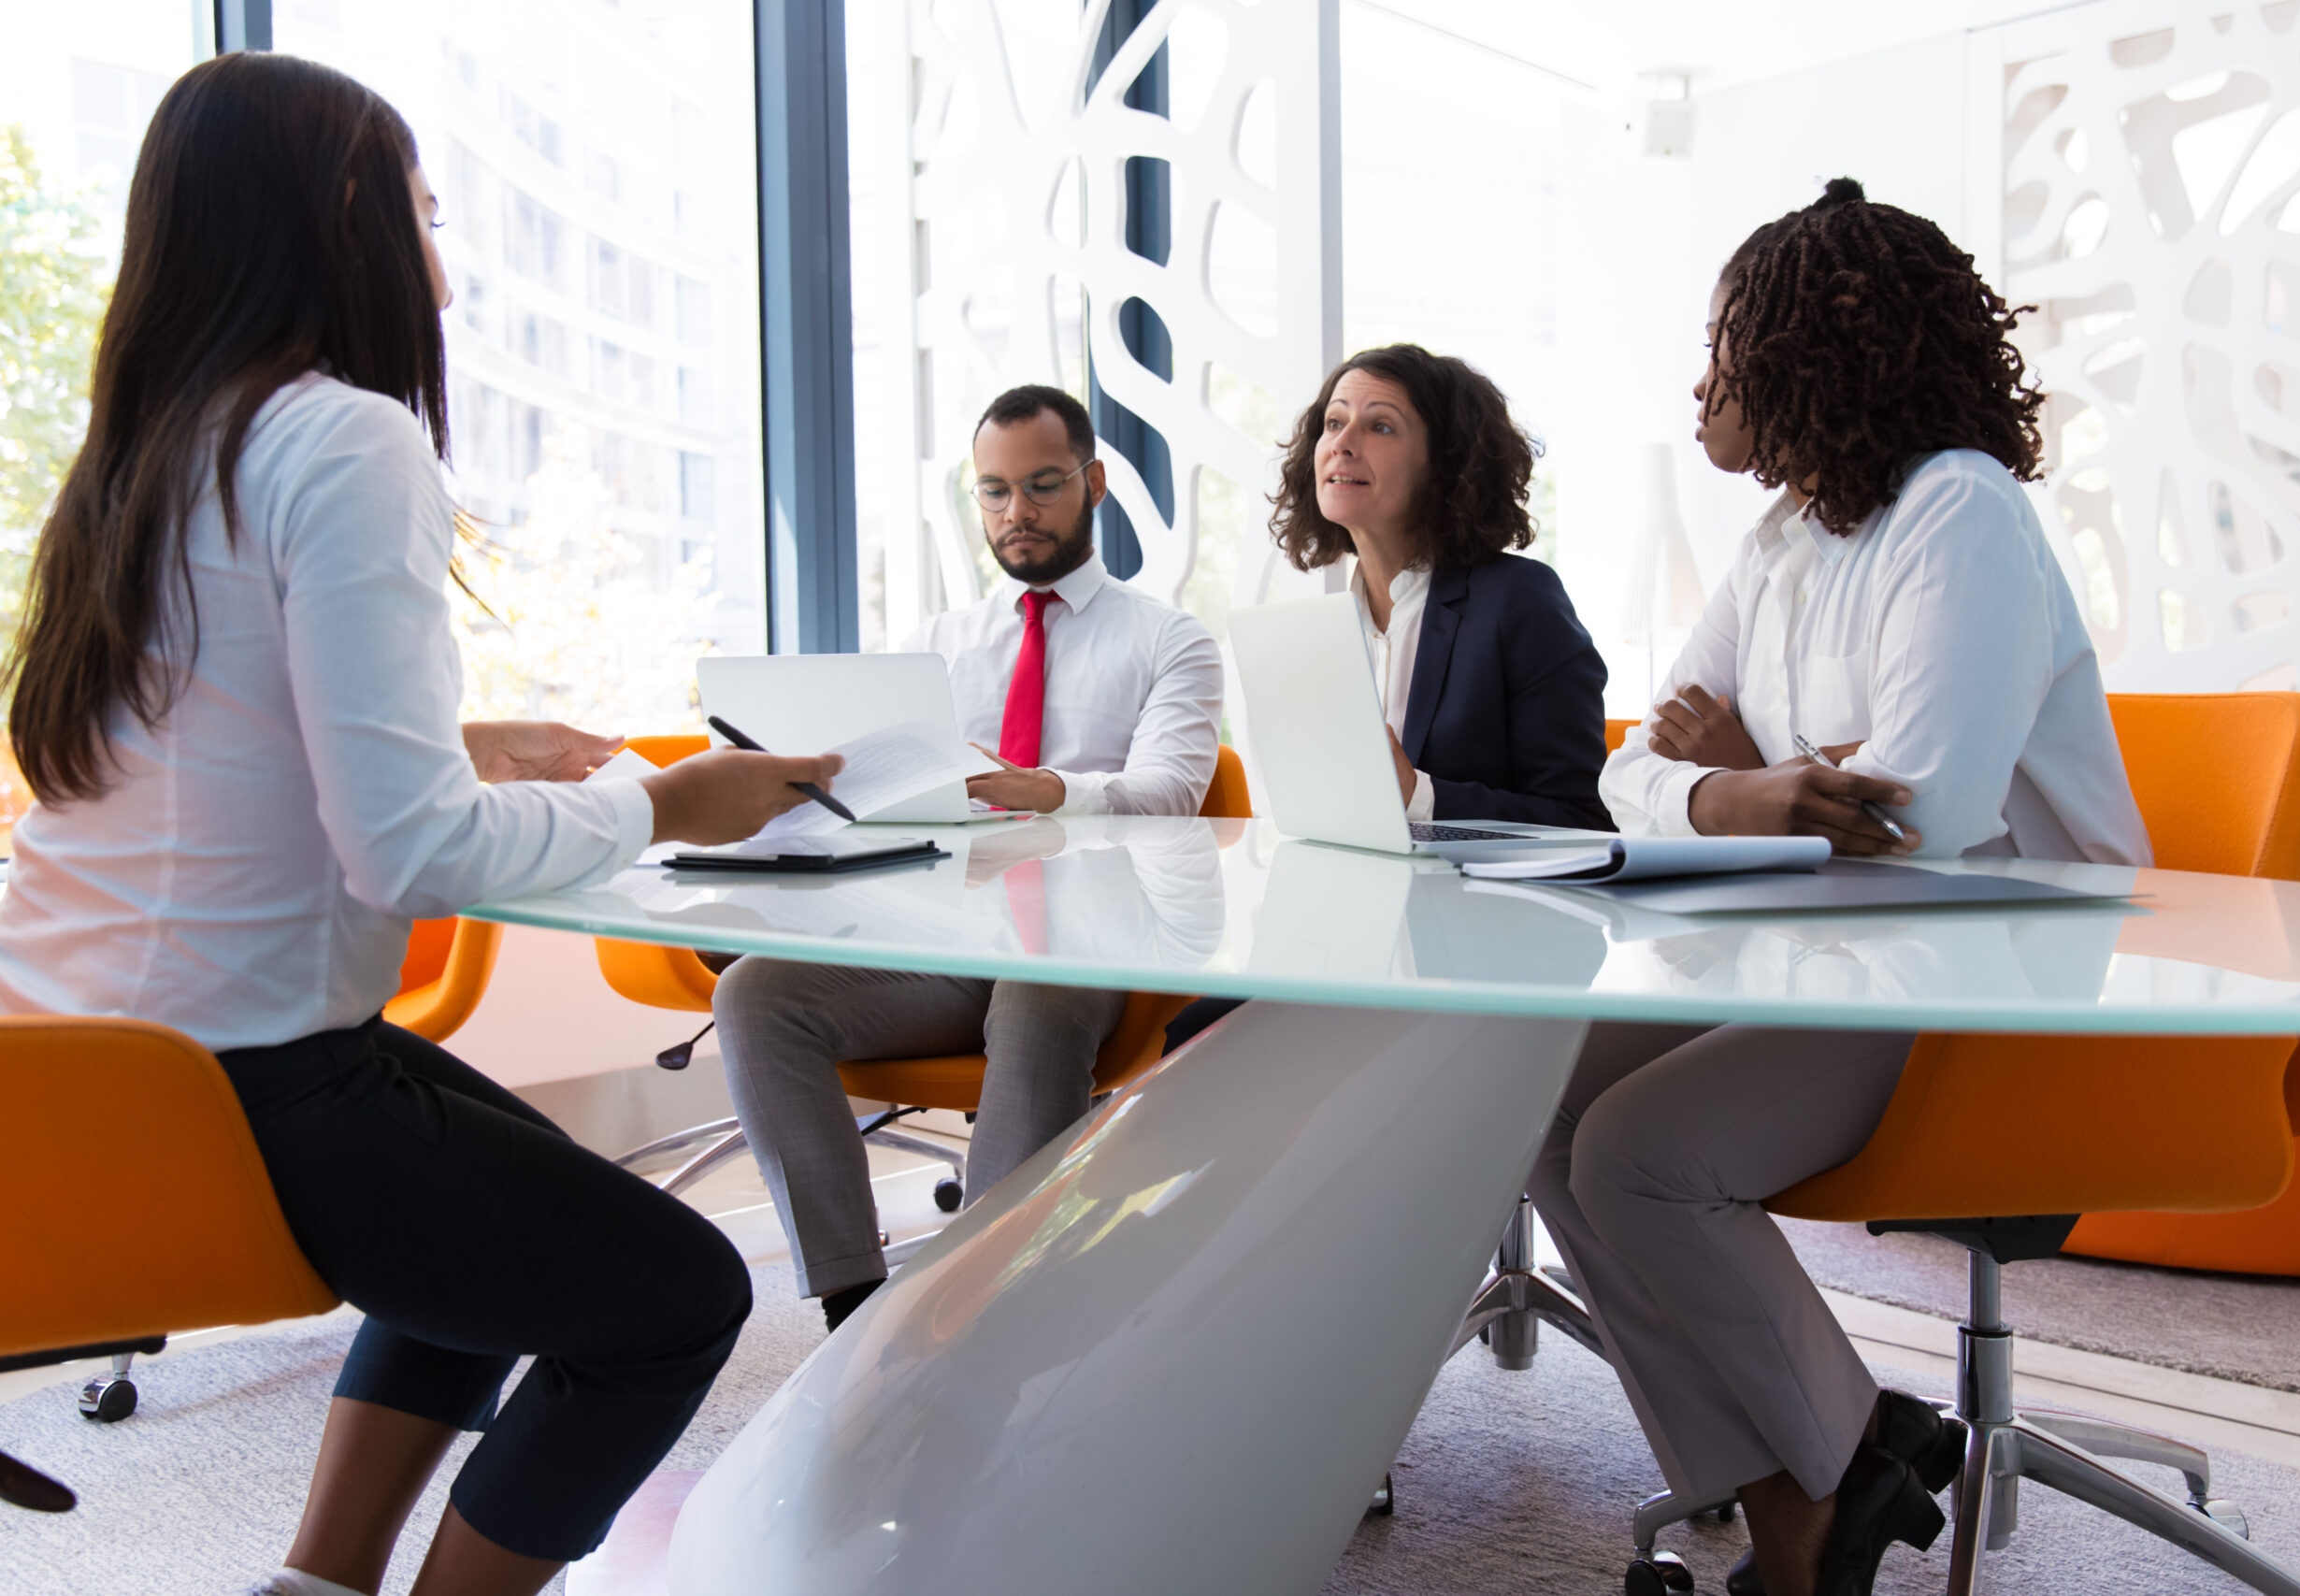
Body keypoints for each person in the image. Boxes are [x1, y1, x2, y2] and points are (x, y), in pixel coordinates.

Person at [0, 55, 847, 1596]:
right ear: (345, 216)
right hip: (250, 1082)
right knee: (677, 1296)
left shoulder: (142, 452)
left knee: (500, 1204)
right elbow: (414, 856)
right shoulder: (341, 438)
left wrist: (464, 742)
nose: (441, 272)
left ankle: (316, 1585)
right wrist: (660, 799)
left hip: (81, 1060)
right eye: (425, 214)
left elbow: (188, 752)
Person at [1527, 180, 2152, 1596]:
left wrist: (1744, 770)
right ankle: (1815, 1476)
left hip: (2013, 982)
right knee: (1540, 1096)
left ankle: (1835, 1474)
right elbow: (1629, 773)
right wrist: (1752, 784)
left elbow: (1920, 812)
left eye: (1722, 349)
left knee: (1641, 1149)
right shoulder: (1784, 545)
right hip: (1847, 954)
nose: (1700, 388)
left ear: (1808, 346)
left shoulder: (1963, 513)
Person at [711, 383, 1224, 1333]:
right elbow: (880, 803)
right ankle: (852, 1305)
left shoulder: (1169, 640)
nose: (1015, 513)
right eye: (993, 492)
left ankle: (980, 1321)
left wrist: (1051, 788)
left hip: (1090, 943)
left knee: (1033, 992)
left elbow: (1173, 796)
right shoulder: (934, 648)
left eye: (1040, 485)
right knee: (754, 993)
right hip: (947, 940)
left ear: (1095, 483)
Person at [1162, 342, 1613, 1055]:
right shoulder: (1319, 628)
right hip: (1343, 947)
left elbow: (1584, 828)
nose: (1341, 442)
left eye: (1380, 425)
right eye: (1333, 423)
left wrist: (1419, 795)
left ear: (1446, 462)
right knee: (1187, 1047)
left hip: (1471, 970)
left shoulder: (1518, 602)